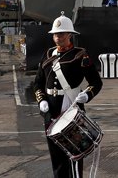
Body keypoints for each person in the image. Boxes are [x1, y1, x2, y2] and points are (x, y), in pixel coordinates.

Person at [33, 12, 103, 178]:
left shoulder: (80, 55)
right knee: (56, 158)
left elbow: (96, 82)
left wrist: (87, 95)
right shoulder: (48, 54)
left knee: (73, 155)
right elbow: (38, 83)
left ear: (70, 35)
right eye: (55, 34)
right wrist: (41, 100)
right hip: (51, 112)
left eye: (61, 34)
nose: (58, 37)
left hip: (71, 109)